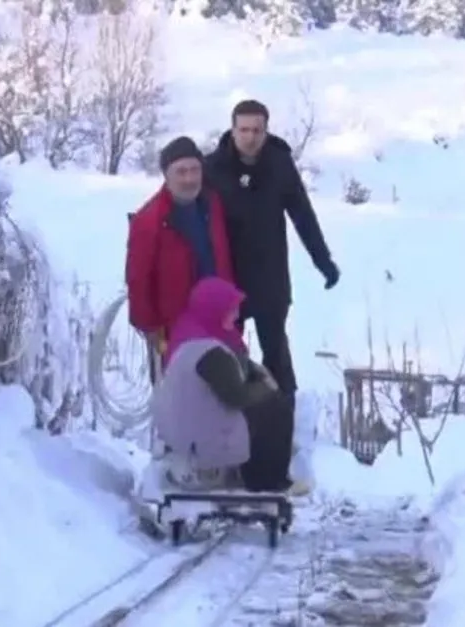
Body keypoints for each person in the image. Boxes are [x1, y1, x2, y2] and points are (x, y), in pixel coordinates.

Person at [203, 99, 339, 491]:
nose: (249, 137)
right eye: (243, 130)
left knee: (275, 351)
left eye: (257, 130)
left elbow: (302, 215)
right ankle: (227, 437)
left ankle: (281, 435)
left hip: (269, 279)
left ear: (266, 131)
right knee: (226, 357)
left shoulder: (279, 164)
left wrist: (323, 261)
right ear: (232, 130)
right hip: (227, 281)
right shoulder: (213, 168)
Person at [147, 277, 280, 494]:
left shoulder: (190, 333)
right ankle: (266, 480)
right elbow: (236, 395)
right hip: (201, 446)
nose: (236, 315)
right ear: (214, 310)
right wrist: (267, 387)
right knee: (272, 409)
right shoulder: (210, 351)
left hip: (181, 436)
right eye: (231, 309)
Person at [126, 136, 234, 369]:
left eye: (195, 170)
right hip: (176, 329)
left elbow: (223, 258)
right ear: (166, 175)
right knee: (182, 388)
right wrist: (152, 330)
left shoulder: (212, 205)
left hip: (217, 320)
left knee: (224, 385)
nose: (189, 179)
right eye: (181, 172)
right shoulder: (149, 220)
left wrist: (231, 303)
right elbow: (138, 280)